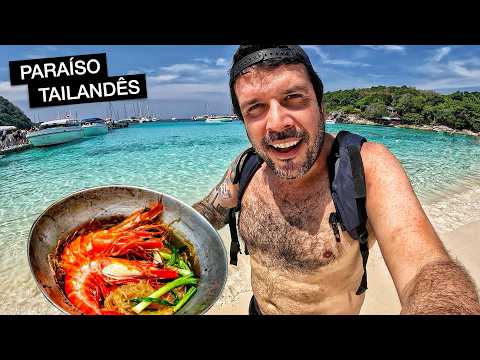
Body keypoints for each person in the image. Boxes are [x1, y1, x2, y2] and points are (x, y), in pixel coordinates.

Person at [192, 45, 480, 315]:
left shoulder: (364, 167)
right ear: (243, 120)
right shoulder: (248, 166)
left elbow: (426, 269)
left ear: (321, 106)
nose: (278, 123)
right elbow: (205, 216)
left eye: (294, 98)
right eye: (255, 108)